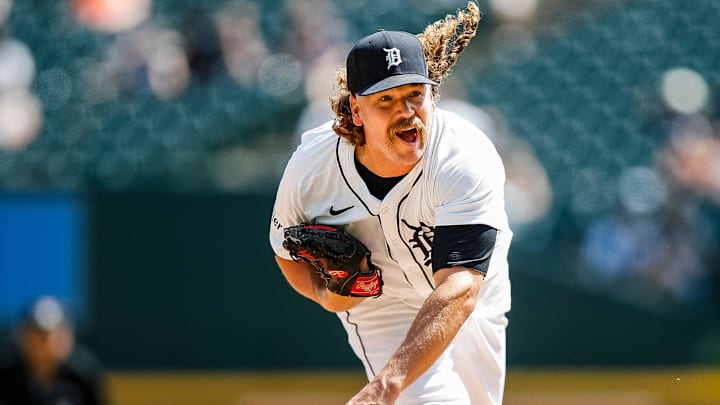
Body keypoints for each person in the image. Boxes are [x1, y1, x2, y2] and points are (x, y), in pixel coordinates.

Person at [269, 2, 511, 404]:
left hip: (471, 290)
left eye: (416, 94)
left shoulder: (462, 155)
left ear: (433, 95)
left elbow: (461, 286)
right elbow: (284, 251)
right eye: (386, 100)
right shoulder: (313, 168)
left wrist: (386, 385)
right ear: (355, 110)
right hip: (380, 303)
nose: (406, 111)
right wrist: (325, 296)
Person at [0, 296, 107, 405]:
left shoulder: (83, 375)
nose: (48, 343)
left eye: (55, 334)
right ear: (22, 336)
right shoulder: (5, 375)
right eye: (39, 335)